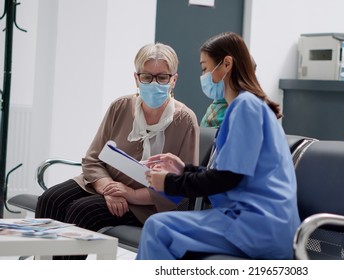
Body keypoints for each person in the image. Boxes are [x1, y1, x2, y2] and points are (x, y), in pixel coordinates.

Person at [134, 32, 300, 260]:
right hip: (250, 221)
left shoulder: (245, 107)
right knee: (162, 230)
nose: (203, 76)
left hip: (258, 227)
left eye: (205, 68)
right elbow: (230, 174)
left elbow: (228, 178)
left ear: (227, 64)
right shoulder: (246, 107)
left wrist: (171, 182)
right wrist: (185, 170)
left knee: (158, 229)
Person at [35, 43, 199, 259]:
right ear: (136, 78)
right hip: (106, 185)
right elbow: (92, 159)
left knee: (82, 211)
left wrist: (130, 194)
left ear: (173, 80)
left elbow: (181, 188)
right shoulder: (120, 107)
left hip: (149, 204)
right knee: (50, 199)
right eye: (147, 77)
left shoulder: (185, 121)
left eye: (162, 77)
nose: (154, 83)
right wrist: (109, 189)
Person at [200, 56, 256, 128]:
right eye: (203, 69)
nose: (204, 75)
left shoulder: (244, 111)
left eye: (205, 69)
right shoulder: (215, 106)